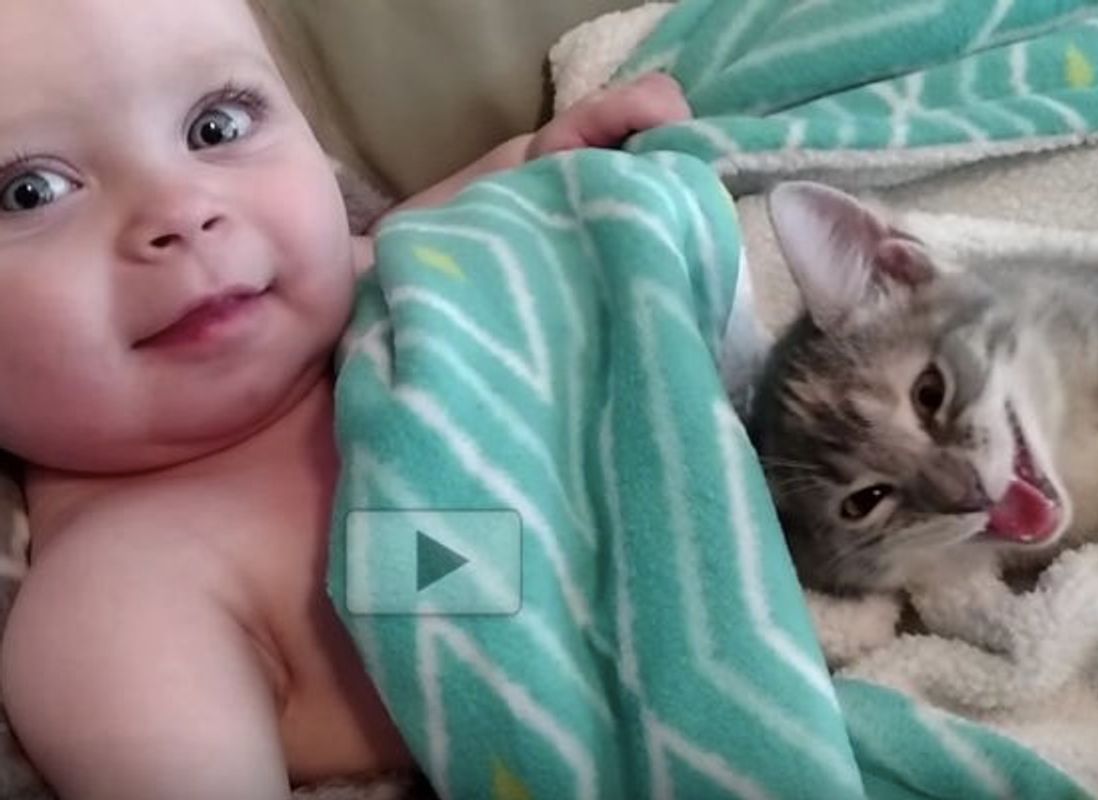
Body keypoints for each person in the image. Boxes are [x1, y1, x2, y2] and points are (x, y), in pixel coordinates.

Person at [0, 0, 690, 797]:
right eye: (30, 192)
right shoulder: (120, 605)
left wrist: (540, 161)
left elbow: (415, 236)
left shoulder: (354, 276)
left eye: (217, 126)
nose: (182, 212)